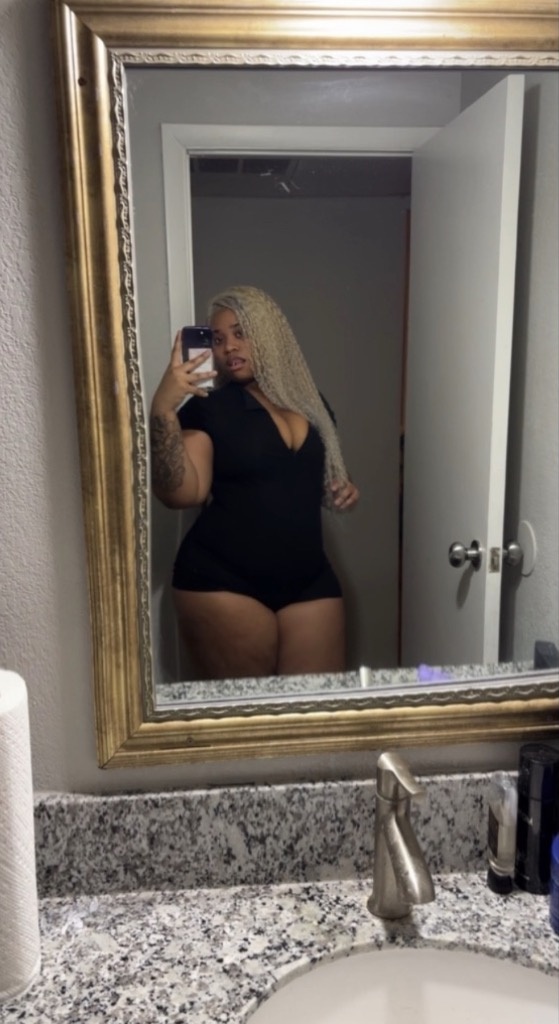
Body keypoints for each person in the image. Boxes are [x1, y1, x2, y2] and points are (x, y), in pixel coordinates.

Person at [150, 285, 359, 679]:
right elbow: (182, 493)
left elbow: (305, 478)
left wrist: (343, 489)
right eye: (218, 339)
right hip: (223, 581)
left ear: (269, 334)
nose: (229, 346)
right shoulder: (208, 408)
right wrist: (163, 409)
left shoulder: (312, 403)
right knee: (250, 713)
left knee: (316, 710)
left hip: (309, 578)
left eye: (240, 332)